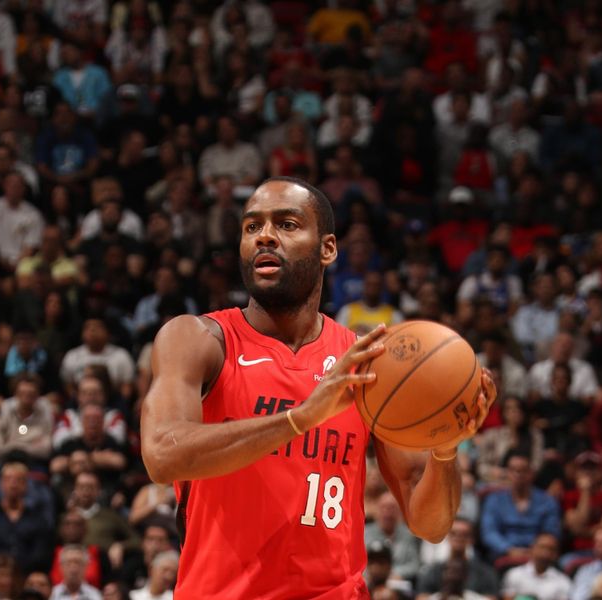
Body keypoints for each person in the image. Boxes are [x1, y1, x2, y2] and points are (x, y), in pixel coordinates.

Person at [140, 177, 495, 597]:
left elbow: (430, 523)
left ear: (327, 248)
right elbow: (163, 455)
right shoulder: (198, 339)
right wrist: (301, 417)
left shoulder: (364, 362)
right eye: (252, 227)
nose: (265, 236)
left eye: (287, 224)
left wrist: (444, 446)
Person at [480, 450, 561, 561]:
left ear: (531, 473)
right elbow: (489, 532)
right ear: (507, 473)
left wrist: (536, 550)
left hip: (539, 557)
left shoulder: (547, 501)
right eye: (514, 470)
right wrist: (508, 549)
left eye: (523, 471)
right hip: (503, 555)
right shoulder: (494, 500)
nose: (518, 475)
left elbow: (551, 532)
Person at [500, 533, 571, 600]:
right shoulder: (514, 574)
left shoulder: (563, 581)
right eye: (542, 547)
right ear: (532, 548)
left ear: (556, 554)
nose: (545, 553)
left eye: (551, 549)